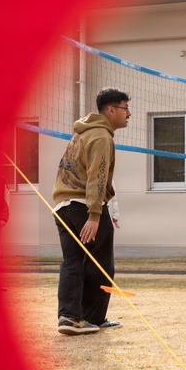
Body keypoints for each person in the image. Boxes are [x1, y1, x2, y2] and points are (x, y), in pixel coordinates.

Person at [51, 87, 130, 335]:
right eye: (125, 109)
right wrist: (95, 216)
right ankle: (93, 317)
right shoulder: (101, 137)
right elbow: (97, 178)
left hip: (63, 207)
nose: (129, 114)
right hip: (84, 207)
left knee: (72, 262)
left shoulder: (82, 134)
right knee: (102, 265)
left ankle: (70, 318)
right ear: (111, 110)